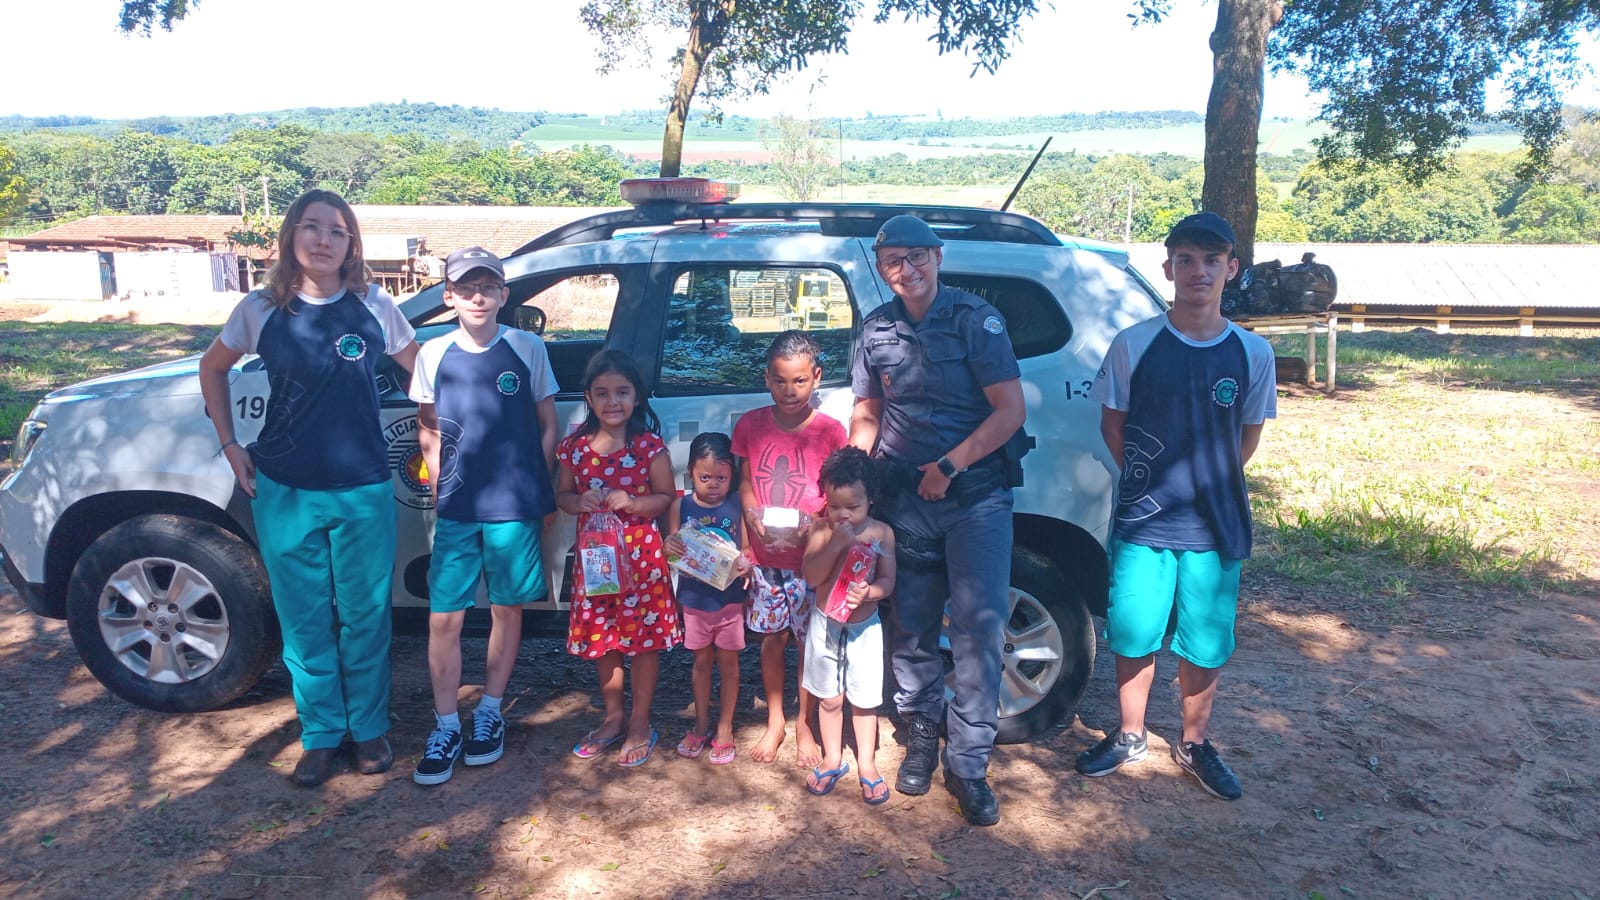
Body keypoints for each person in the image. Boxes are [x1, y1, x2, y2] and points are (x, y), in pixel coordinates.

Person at [197, 189, 419, 787]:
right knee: (304, 617)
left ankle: (368, 729)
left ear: (352, 245)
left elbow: (421, 373)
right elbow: (211, 368)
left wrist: (441, 435)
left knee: (365, 615)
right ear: (292, 235)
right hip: (284, 485)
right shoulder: (261, 308)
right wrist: (230, 444)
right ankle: (320, 734)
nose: (324, 240)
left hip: (363, 488)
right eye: (312, 228)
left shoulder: (375, 304)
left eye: (338, 231)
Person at [1075, 211, 1276, 801]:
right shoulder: (1134, 344)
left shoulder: (1252, 353)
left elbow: (1247, 436)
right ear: (1167, 268)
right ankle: (1131, 734)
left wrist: (1206, 483)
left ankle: (1193, 743)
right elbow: (1114, 426)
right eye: (1185, 259)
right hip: (1143, 520)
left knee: (1206, 640)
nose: (1198, 271)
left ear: (1231, 269)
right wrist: (1149, 482)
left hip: (1218, 525)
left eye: (1212, 260)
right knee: (1134, 632)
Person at [849, 214, 1026, 826]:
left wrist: (948, 466)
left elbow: (1009, 411)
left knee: (978, 625)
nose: (907, 269)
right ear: (881, 267)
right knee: (913, 623)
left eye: (917, 256)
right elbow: (868, 413)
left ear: (939, 256)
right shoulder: (876, 330)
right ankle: (923, 733)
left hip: (975, 497)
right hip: (905, 501)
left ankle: (970, 763)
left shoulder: (977, 320)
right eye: (894, 259)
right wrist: (852, 473)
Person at [408, 247, 559, 786]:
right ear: (448, 295)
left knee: (507, 610)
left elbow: (547, 421)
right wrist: (437, 477)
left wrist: (535, 485)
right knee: (443, 616)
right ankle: (446, 724)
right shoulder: (433, 352)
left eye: (488, 287)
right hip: (458, 508)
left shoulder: (527, 347)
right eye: (466, 287)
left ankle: (490, 712)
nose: (477, 296)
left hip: (513, 507)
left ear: (503, 294)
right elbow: (427, 423)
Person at [555, 349, 680, 767]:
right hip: (597, 565)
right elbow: (564, 497)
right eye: (602, 393)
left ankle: (641, 722)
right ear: (588, 398)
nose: (613, 402)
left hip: (642, 561)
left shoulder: (648, 446)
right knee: (603, 639)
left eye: (623, 392)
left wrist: (634, 502)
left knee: (642, 643)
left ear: (638, 397)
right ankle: (613, 718)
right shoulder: (573, 448)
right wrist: (580, 499)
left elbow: (665, 497)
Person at [732, 330, 847, 766]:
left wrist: (817, 528)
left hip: (809, 562)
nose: (790, 390)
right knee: (772, 639)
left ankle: (805, 723)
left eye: (800, 381)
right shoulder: (750, 425)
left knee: (807, 641)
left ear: (816, 377)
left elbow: (838, 497)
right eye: (780, 381)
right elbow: (745, 482)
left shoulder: (831, 433)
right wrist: (750, 519)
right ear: (767, 379)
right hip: (765, 559)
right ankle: (776, 718)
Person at [800, 447, 897, 805]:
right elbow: (811, 576)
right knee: (829, 698)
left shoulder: (881, 534)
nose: (843, 514)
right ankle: (832, 758)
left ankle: (868, 765)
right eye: (835, 505)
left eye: (852, 507)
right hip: (826, 625)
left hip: (864, 628)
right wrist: (835, 544)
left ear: (871, 500)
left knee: (864, 701)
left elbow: (888, 582)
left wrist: (869, 592)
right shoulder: (821, 530)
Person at [664, 432, 750, 766]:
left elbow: (745, 549)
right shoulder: (680, 506)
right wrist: (667, 547)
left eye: (721, 477)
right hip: (695, 602)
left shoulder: (737, 505)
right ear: (690, 475)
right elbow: (671, 552)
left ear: (732, 477)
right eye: (704, 477)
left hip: (729, 602)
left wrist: (745, 564)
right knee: (701, 663)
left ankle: (725, 726)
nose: (713, 484)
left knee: (729, 664)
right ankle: (701, 722)